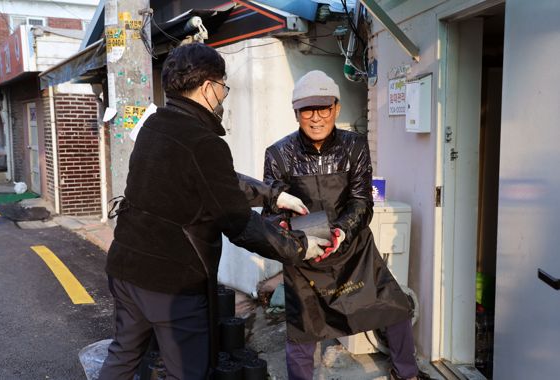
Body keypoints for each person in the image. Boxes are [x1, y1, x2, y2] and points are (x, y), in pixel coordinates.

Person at [98, 44, 330, 380]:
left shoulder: (153, 126)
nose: (224, 94)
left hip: (124, 267)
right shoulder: (204, 142)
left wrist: (273, 196)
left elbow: (212, 181)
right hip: (172, 284)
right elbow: (238, 222)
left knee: (123, 356)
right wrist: (298, 247)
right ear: (208, 87)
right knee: (189, 372)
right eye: (223, 86)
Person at [262, 70, 430, 380]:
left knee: (395, 308)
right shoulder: (278, 154)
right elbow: (272, 212)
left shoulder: (354, 146)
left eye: (323, 108)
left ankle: (407, 373)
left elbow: (361, 201)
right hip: (305, 254)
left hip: (353, 249)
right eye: (307, 110)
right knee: (303, 331)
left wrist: (341, 230)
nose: (316, 118)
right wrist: (295, 239)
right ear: (296, 113)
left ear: (336, 108)